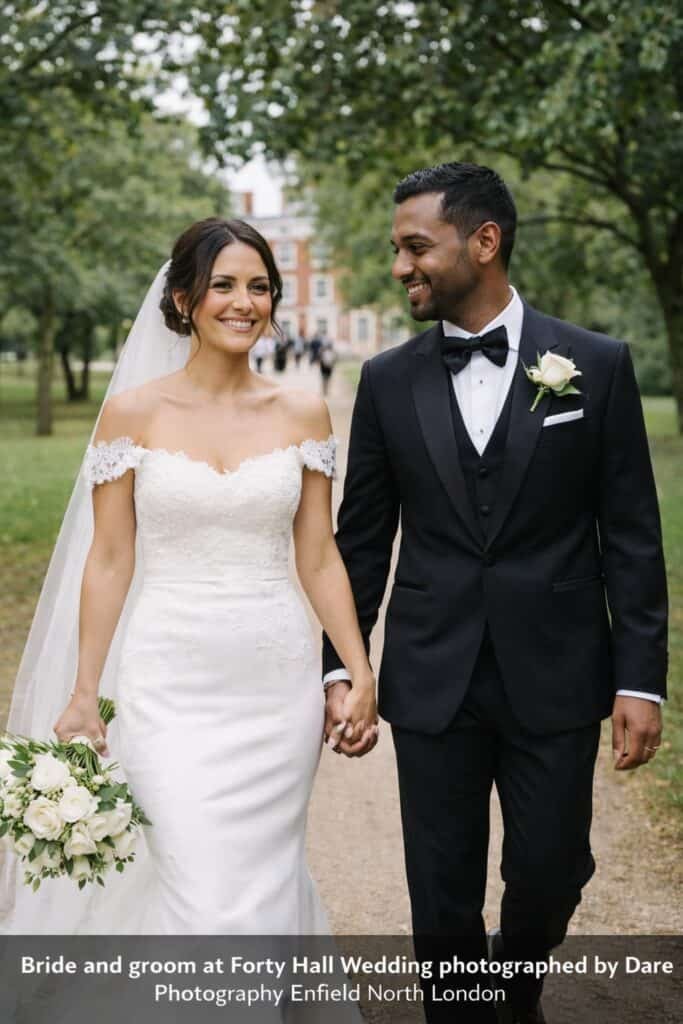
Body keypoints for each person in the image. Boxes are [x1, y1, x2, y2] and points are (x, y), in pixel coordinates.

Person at [322, 163, 667, 1024]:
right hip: (434, 674)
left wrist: (639, 679)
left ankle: (511, 993)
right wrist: (340, 666)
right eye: (394, 249)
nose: (400, 267)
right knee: (440, 893)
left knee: (553, 869)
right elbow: (361, 543)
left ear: (484, 241)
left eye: (414, 247)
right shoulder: (387, 382)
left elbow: (629, 534)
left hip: (554, 671)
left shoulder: (594, 365)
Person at [1, 218, 377, 943]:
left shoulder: (301, 412)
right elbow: (109, 559)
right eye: (224, 285)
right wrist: (84, 692)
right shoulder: (132, 414)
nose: (244, 302)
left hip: (274, 685)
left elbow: (319, 556)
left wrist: (357, 668)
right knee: (198, 886)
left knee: (260, 884)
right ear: (181, 301)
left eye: (260, 287)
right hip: (168, 682)